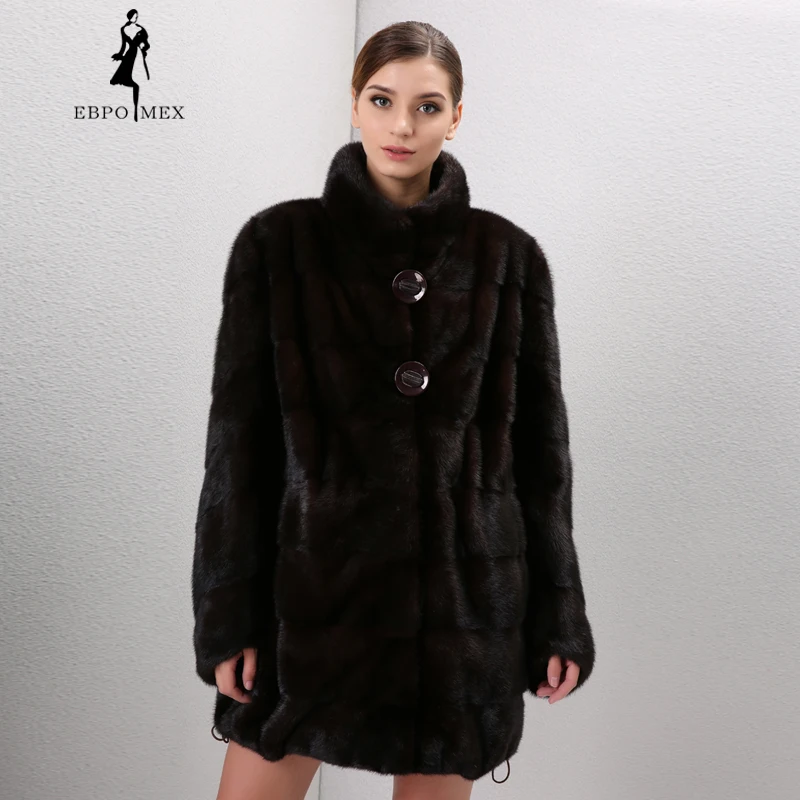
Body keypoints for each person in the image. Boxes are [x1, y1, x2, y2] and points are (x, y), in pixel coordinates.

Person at [191, 20, 596, 800]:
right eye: (381, 100)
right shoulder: (277, 246)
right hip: (310, 604)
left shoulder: (509, 259)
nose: (402, 125)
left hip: (461, 615)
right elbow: (236, 453)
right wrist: (227, 615)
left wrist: (558, 617)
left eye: (427, 105)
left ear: (457, 116)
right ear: (354, 102)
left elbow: (543, 463)